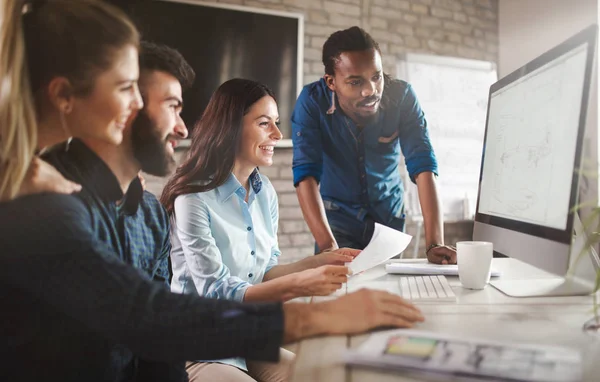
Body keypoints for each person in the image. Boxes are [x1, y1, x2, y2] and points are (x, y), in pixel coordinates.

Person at [0, 2, 424, 380]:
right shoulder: (46, 208)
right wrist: (312, 317)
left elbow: (154, 347)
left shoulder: (146, 212)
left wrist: (315, 276)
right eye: (127, 88)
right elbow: (149, 316)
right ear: (64, 96)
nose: (181, 127)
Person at [161, 78, 358, 381]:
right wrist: (302, 284)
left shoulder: (264, 192)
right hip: (199, 346)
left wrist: (322, 261)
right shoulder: (193, 200)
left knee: (322, 376)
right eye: (265, 123)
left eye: (276, 123)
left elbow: (264, 271)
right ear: (231, 127)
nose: (278, 135)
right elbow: (217, 291)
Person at [42, 41, 192, 381]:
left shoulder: (152, 215)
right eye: (172, 106)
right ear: (126, 106)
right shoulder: (53, 199)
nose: (183, 129)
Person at [291, 26, 457, 264]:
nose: (370, 90)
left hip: (389, 219)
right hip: (337, 219)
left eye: (376, 77)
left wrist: (434, 243)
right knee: (340, 293)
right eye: (355, 82)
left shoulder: (402, 97)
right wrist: (328, 247)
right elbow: (305, 173)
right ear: (331, 82)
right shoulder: (312, 102)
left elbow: (423, 165)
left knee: (386, 292)